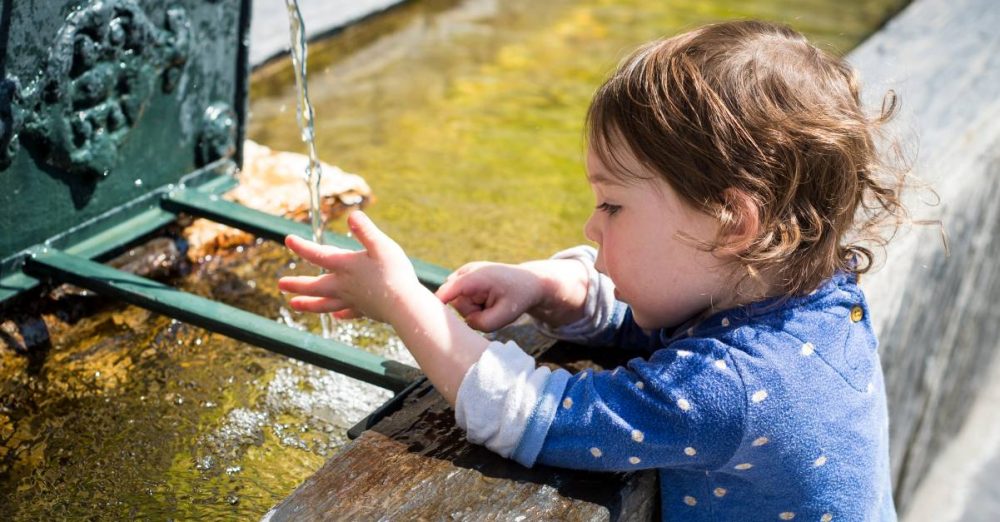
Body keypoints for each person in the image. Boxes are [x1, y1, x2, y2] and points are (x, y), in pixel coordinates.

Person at [278, 20, 906, 521]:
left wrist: (402, 302)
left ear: (732, 222)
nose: (590, 226)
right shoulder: (810, 300)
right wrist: (552, 287)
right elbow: (660, 319)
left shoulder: (732, 392)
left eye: (611, 203)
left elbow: (531, 416)